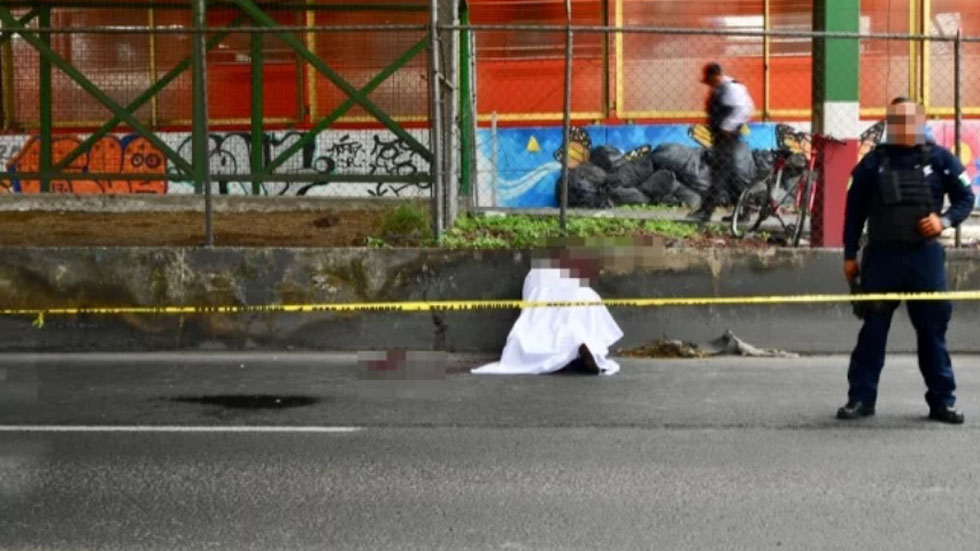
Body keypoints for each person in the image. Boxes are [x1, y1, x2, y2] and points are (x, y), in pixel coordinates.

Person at [838, 98, 975, 424]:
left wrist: (943, 221)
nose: (903, 127)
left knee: (932, 334)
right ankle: (860, 399)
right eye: (896, 120)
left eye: (909, 119)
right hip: (882, 258)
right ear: (889, 123)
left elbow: (966, 199)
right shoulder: (872, 164)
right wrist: (848, 255)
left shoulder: (942, 160)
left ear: (921, 121)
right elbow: (854, 212)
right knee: (872, 333)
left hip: (924, 258)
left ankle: (942, 402)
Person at [472, 243, 623, 376]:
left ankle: (581, 347)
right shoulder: (566, 279)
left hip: (547, 305)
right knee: (577, 316)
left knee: (553, 327)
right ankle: (587, 348)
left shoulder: (540, 274)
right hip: (561, 301)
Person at [687, 62, 756, 223]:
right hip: (720, 137)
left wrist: (728, 126)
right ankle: (742, 211)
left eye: (709, 79)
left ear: (714, 76)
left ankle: (706, 212)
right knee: (729, 174)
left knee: (719, 174)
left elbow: (745, 109)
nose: (708, 83)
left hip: (727, 137)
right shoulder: (721, 89)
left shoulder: (731, 89)